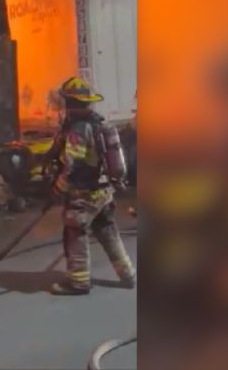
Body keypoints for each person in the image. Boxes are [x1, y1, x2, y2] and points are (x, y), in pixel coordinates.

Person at [47, 77, 136, 295]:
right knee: (107, 231)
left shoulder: (78, 129)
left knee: (75, 234)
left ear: (70, 102)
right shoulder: (102, 124)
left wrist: (58, 189)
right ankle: (128, 274)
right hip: (105, 192)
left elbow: (72, 164)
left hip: (83, 193)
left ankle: (78, 282)